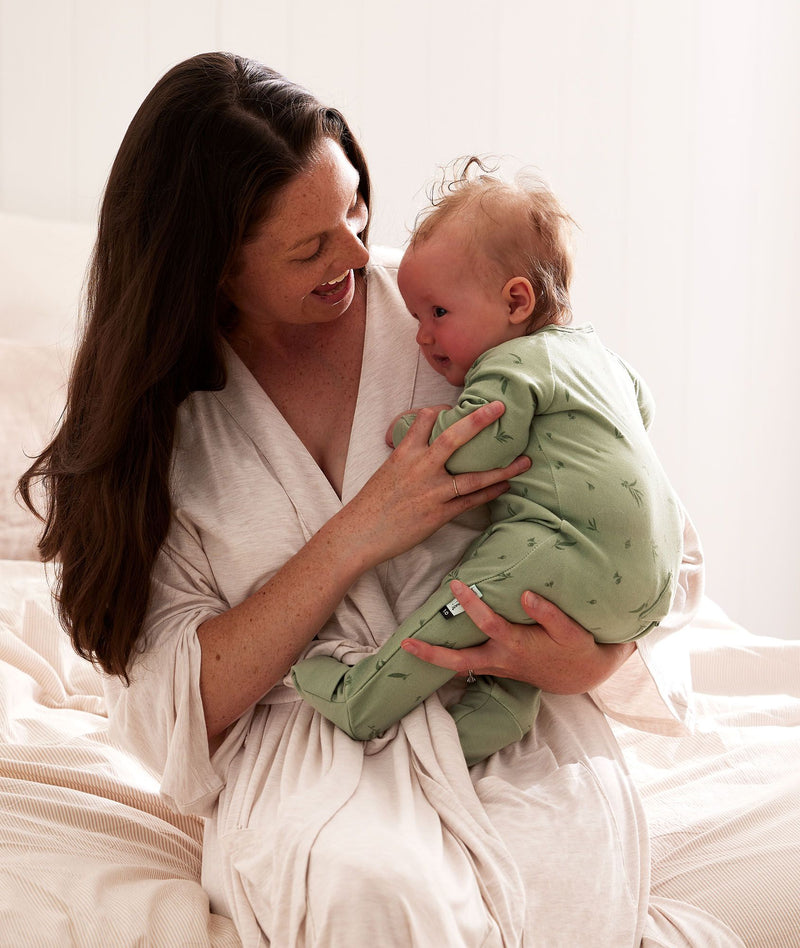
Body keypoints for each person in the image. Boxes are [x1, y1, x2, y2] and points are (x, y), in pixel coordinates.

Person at [15, 52, 763, 946]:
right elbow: (173, 704)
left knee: (564, 898)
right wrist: (358, 532)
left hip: (512, 705)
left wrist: (590, 665)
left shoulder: (449, 312)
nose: (358, 254)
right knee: (374, 899)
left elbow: (637, 522)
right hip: (313, 737)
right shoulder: (162, 428)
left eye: (355, 208)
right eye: (310, 248)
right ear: (211, 266)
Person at [290, 165, 684, 765]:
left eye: (438, 313)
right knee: (517, 637)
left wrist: (412, 430)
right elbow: (642, 411)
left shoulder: (512, 364)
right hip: (653, 583)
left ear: (516, 301)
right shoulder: (600, 355)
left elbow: (474, 450)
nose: (422, 336)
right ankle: (494, 716)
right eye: (416, 318)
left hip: (566, 548)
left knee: (463, 601)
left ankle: (359, 699)